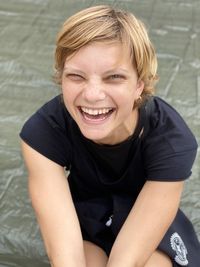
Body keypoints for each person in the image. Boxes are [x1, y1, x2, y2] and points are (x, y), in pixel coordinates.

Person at [20, 5, 200, 267]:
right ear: (62, 78)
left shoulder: (170, 141)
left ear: (139, 84)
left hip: (146, 216)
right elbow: (66, 258)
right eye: (76, 76)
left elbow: (127, 260)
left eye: (114, 77)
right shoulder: (44, 132)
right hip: (85, 218)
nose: (93, 94)